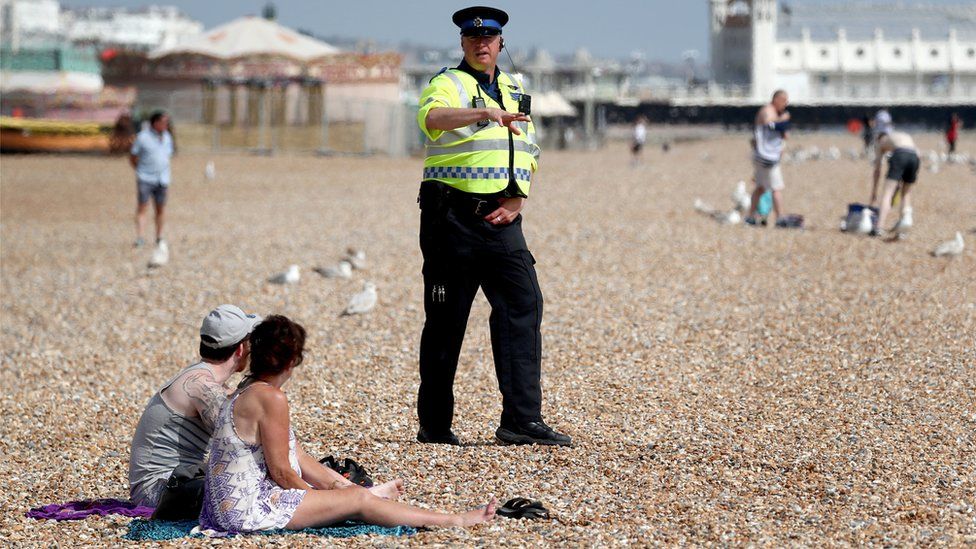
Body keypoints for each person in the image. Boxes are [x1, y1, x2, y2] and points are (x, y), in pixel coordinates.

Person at [414, 6, 570, 447]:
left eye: (489, 38)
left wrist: (520, 196)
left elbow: (529, 147)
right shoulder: (447, 83)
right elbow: (432, 120)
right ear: (463, 44)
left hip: (502, 219)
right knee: (446, 320)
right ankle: (436, 426)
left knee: (524, 304)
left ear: (501, 43)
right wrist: (482, 114)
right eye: (472, 39)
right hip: (451, 219)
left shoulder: (515, 87)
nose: (482, 44)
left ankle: (521, 421)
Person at [198, 315, 496, 533]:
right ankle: (452, 520)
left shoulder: (248, 389)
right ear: (292, 361)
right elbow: (282, 472)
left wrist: (340, 487)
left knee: (352, 493)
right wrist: (333, 499)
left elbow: (297, 457)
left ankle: (367, 495)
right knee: (355, 501)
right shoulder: (270, 398)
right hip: (244, 511)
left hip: (224, 507)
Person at [128, 304, 261, 509]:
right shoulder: (201, 386)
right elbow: (242, 438)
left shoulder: (202, 379)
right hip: (159, 491)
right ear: (241, 348)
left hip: (171, 483)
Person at [745, 90, 790, 227]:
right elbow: (768, 123)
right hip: (766, 157)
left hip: (762, 156)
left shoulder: (774, 112)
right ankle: (780, 218)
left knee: (761, 188)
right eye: (784, 101)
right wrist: (783, 120)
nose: (786, 104)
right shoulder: (768, 110)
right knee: (776, 188)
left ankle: (751, 217)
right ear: (777, 99)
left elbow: (782, 134)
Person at [869, 112, 919, 237]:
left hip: (900, 154)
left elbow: (877, 171)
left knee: (888, 192)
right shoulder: (900, 134)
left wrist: (874, 193)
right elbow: (916, 152)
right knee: (906, 193)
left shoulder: (881, 142)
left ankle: (879, 227)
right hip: (914, 156)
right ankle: (903, 229)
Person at [129, 111, 174, 248]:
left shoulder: (167, 137)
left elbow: (167, 155)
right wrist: (140, 170)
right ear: (155, 123)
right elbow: (133, 156)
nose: (166, 125)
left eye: (167, 122)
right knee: (143, 207)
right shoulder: (143, 137)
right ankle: (141, 237)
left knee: (160, 208)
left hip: (162, 179)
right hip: (146, 177)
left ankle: (159, 237)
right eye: (164, 122)